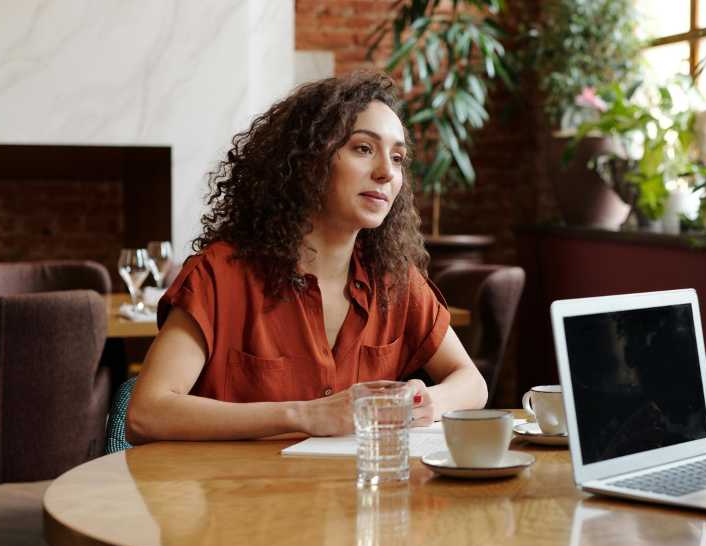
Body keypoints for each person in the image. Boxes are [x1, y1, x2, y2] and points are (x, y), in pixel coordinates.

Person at [125, 72, 487, 445]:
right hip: (237, 497)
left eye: (397, 158)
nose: (386, 172)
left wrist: (432, 399)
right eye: (363, 148)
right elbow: (145, 414)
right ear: (307, 160)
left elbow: (472, 383)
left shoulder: (393, 279)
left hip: (358, 497)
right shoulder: (221, 274)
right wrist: (304, 414)